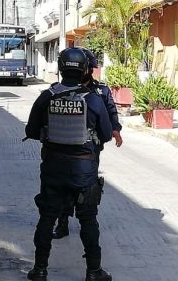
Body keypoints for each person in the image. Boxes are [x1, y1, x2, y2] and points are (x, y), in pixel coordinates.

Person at [25, 47, 113, 281]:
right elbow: (106, 134)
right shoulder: (93, 99)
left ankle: (40, 270)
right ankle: (94, 271)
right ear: (85, 70)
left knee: (47, 217)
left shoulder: (47, 96)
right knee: (88, 220)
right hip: (84, 171)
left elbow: (31, 131)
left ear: (60, 69)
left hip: (53, 168)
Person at [52, 48, 123, 240]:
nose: (88, 71)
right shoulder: (58, 91)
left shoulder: (100, 91)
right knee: (64, 188)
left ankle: (88, 221)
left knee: (87, 189)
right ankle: (63, 222)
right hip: (63, 148)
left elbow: (111, 113)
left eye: (90, 68)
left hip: (89, 149)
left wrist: (115, 130)